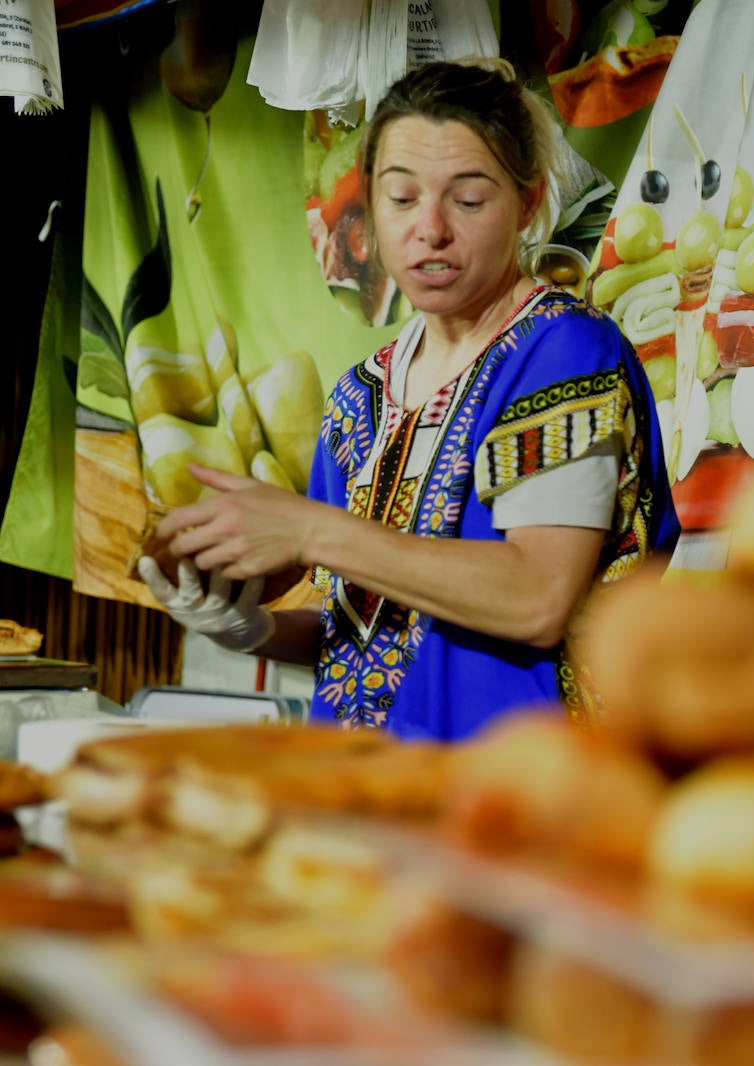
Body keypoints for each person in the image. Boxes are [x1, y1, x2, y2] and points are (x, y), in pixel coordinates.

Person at [139, 58, 680, 741]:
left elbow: (538, 598)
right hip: (377, 799)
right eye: (401, 198)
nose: (430, 229)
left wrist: (311, 529)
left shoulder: (563, 351)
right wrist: (253, 629)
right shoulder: (357, 399)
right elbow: (369, 634)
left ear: (530, 202)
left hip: (531, 799)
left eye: (468, 199)